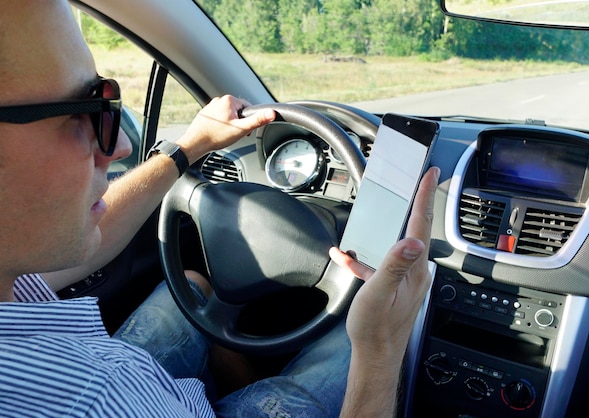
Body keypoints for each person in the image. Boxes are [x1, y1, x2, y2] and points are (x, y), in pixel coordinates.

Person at [0, 1, 440, 417]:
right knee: (348, 349)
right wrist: (382, 349)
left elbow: (86, 231)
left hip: (113, 366)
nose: (121, 146)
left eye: (106, 103)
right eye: (83, 111)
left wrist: (187, 149)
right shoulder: (98, 397)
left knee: (193, 286)